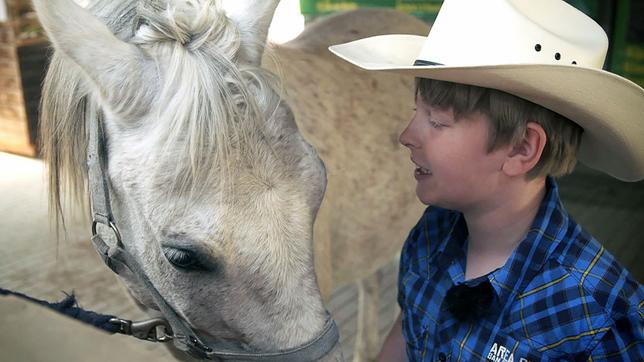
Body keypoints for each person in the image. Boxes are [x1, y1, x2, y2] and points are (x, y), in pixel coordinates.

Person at [329, 0, 644, 360]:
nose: (406, 135)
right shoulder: (433, 233)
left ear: (521, 148)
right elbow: (409, 329)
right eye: (416, 112)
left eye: (437, 121)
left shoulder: (601, 319)